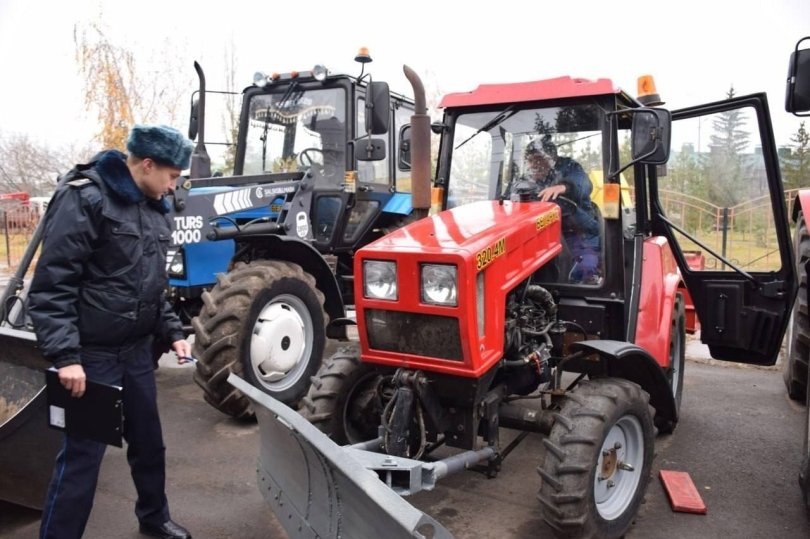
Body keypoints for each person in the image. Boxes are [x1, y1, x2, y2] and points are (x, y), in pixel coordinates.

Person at [29, 125, 195, 539]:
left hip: (137, 352)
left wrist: (172, 330)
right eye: (172, 176)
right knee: (82, 459)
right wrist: (66, 356)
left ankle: (153, 519)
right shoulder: (86, 198)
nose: (174, 186)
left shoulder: (156, 208)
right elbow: (53, 285)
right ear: (147, 164)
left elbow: (152, 285)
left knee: (150, 445)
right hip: (92, 356)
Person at [520, 136, 602, 283]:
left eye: (539, 159)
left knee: (585, 269)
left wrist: (564, 187)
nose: (534, 165)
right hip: (540, 234)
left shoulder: (570, 168)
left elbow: (584, 184)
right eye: (531, 160)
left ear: (552, 158)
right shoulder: (527, 179)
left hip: (577, 233)